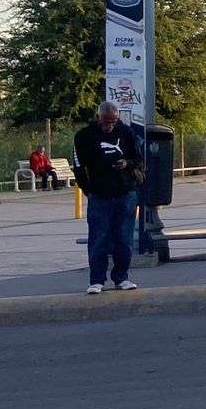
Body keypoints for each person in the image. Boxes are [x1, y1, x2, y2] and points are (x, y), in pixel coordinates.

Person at [72, 101, 144, 294]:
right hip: (99, 194)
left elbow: (139, 158)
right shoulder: (84, 136)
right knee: (99, 238)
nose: (110, 125)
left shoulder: (126, 132)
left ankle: (122, 277)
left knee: (124, 237)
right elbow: (78, 165)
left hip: (125, 192)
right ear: (98, 117)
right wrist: (87, 189)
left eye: (114, 121)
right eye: (106, 122)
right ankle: (97, 280)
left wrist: (127, 163)